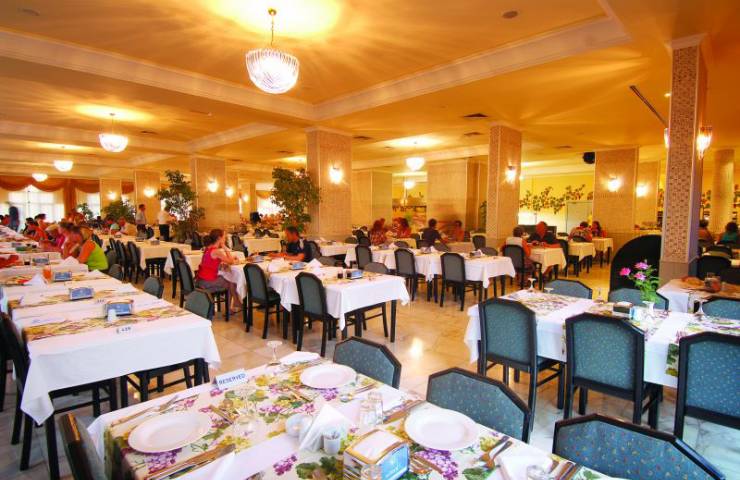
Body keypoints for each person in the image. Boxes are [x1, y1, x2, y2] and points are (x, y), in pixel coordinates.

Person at [195, 229, 240, 312]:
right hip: (206, 282)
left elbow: (209, 264)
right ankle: (234, 305)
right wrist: (224, 247)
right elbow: (231, 261)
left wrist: (220, 265)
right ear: (219, 238)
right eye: (224, 237)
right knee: (231, 282)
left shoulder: (208, 248)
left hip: (201, 280)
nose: (225, 239)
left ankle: (235, 304)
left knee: (229, 279)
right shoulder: (216, 251)